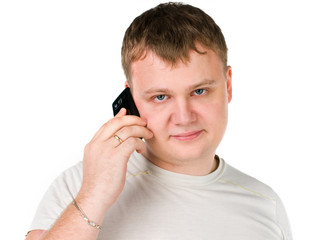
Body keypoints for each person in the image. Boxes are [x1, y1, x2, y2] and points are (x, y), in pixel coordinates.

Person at [26, 2, 292, 240]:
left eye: (199, 91)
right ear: (132, 101)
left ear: (228, 86)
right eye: (161, 97)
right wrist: (94, 195)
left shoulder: (265, 204)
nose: (184, 117)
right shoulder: (79, 185)